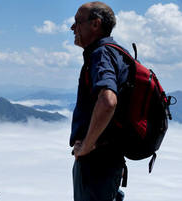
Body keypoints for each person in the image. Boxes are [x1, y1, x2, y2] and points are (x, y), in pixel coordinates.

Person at [70, 2, 129, 201]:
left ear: (95, 24)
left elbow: (108, 101)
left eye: (77, 22)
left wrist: (87, 145)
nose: (72, 28)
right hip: (108, 163)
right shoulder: (116, 52)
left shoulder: (101, 54)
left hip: (96, 166)